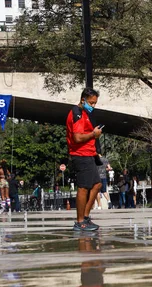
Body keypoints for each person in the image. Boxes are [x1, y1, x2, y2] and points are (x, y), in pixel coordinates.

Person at [66, 87, 102, 231]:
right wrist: (94, 134)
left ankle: (85, 217)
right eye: (91, 103)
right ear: (83, 100)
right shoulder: (77, 113)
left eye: (95, 103)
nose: (93, 106)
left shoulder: (84, 113)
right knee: (83, 187)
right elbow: (77, 137)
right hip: (81, 155)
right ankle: (80, 221)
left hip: (88, 154)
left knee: (97, 185)